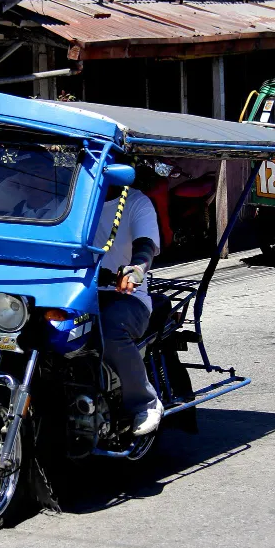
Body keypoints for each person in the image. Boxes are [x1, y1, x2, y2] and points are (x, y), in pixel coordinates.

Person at [93, 173, 163, 436]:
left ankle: (144, 403)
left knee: (110, 329)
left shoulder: (136, 203)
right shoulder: (74, 201)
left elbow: (145, 246)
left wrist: (134, 270)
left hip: (127, 296)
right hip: (77, 293)